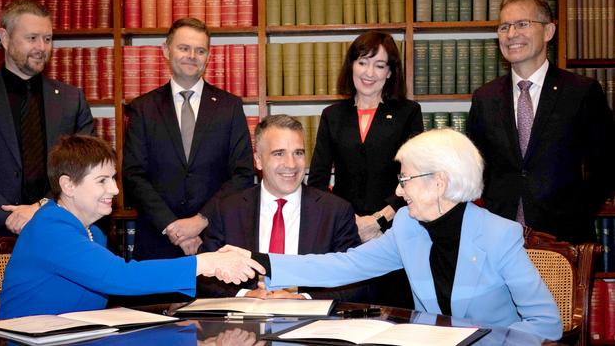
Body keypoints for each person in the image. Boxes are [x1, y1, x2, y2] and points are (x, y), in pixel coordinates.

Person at [224, 129, 563, 341]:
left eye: (405, 180)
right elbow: (343, 266)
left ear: (439, 182)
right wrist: (259, 262)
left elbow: (546, 325)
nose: (399, 193)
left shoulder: (499, 235)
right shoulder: (407, 227)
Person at [0, 135, 264, 320]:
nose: (114, 189)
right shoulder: (51, 228)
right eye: (102, 180)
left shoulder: (94, 234)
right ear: (68, 185)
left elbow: (121, 285)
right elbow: (118, 277)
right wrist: (203, 263)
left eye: (113, 178)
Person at [468, 0, 614, 244]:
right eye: (504, 26)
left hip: (563, 240)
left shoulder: (580, 92)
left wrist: (576, 211)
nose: (511, 34)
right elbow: (476, 169)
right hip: (497, 240)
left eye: (522, 24)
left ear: (548, 31)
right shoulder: (485, 97)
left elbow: (606, 166)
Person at [122, 17, 255, 260]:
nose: (192, 55)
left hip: (216, 240)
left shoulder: (229, 107)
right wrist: (173, 226)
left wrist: (200, 221)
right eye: (184, 48)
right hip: (157, 240)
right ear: (166, 50)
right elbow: (133, 176)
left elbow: (243, 174)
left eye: (200, 50)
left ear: (208, 56)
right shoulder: (142, 108)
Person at [307, 30, 423, 307]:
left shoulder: (409, 113)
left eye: (379, 65)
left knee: (394, 314)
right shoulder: (332, 115)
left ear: (390, 73)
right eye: (362, 62)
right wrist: (349, 221)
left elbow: (416, 175)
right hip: (344, 234)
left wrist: (380, 219)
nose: (369, 72)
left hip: (395, 229)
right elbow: (318, 181)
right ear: (351, 66)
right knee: (346, 311)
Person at [200, 115, 368, 301]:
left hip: (312, 324)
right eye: (279, 153)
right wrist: (245, 295)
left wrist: (304, 298)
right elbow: (204, 278)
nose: (291, 164)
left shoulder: (335, 211)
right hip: (243, 326)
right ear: (258, 160)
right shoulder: (227, 210)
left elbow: (357, 282)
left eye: (298, 153)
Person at [0, 0, 94, 241]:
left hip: (56, 230)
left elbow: (85, 166)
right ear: (4, 38)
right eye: (32, 38)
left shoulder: (71, 99)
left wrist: (41, 207)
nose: (41, 47)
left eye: (47, 39)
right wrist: (7, 216)